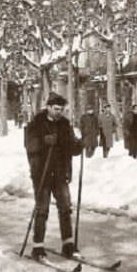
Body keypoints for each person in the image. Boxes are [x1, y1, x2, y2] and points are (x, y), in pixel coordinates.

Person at [23, 92, 84, 260]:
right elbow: (29, 146)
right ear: (48, 107)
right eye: (56, 109)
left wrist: (79, 145)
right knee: (42, 209)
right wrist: (44, 141)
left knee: (65, 208)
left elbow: (70, 147)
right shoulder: (36, 124)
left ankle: (68, 245)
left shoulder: (65, 124)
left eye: (61, 109)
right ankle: (38, 247)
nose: (59, 112)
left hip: (60, 172)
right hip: (41, 173)